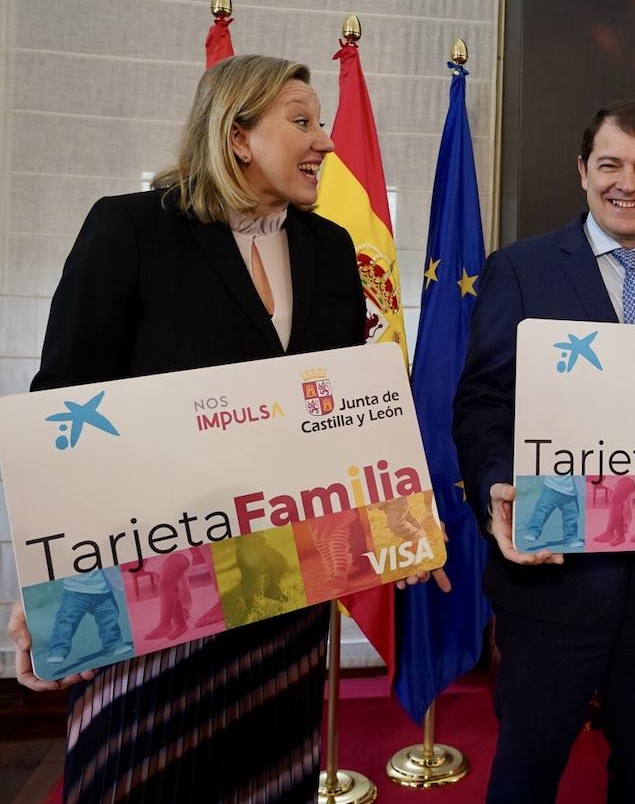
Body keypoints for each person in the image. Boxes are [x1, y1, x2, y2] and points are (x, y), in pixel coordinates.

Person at [6, 54, 367, 802]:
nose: (324, 142)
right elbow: (64, 403)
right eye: (302, 122)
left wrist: (392, 521)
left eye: (322, 123)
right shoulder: (133, 228)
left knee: (269, 778)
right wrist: (48, 578)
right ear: (238, 136)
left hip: (283, 581)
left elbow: (342, 408)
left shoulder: (329, 247)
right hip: (154, 581)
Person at [454, 101, 635, 802]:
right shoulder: (519, 270)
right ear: (583, 173)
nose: (626, 183)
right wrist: (494, 493)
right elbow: (482, 404)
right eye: (610, 165)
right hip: (554, 579)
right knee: (526, 773)